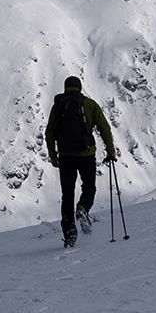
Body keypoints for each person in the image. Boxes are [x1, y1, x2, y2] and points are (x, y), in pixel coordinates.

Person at [44, 75, 116, 247]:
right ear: (80, 87)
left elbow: (48, 132)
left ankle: (69, 234)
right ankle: (83, 207)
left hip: (65, 156)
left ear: (65, 88)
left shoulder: (58, 106)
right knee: (89, 187)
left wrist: (53, 155)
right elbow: (104, 127)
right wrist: (110, 150)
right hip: (86, 155)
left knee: (67, 194)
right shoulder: (89, 104)